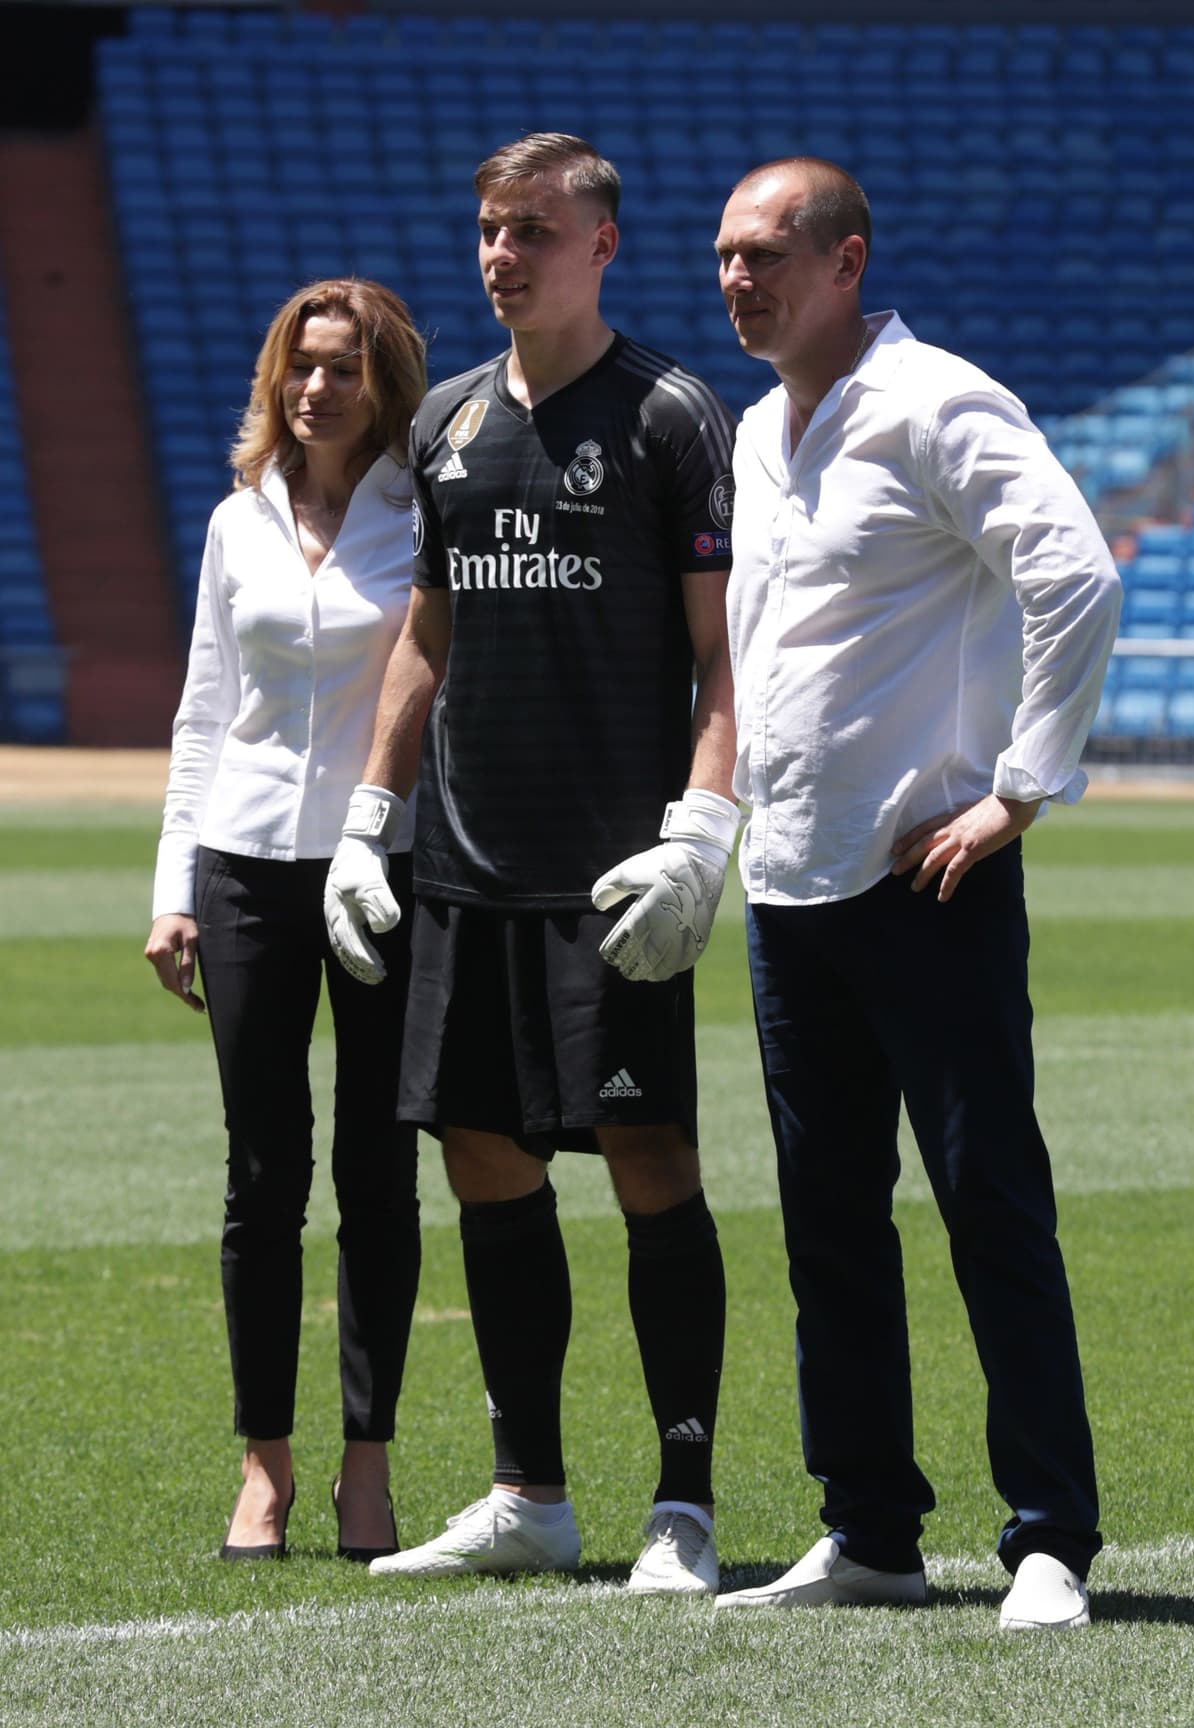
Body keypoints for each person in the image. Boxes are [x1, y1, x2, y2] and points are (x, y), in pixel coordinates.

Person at [323, 133, 740, 1596]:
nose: (503, 254)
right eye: (491, 230)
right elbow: (429, 634)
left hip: (612, 885)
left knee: (650, 1162)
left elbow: (722, 655)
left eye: (533, 232)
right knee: (485, 1163)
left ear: (602, 245)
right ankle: (530, 1494)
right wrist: (372, 816)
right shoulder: (441, 420)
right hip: (467, 870)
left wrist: (702, 831)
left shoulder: (673, 416)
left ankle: (681, 1503)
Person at [709, 159, 1121, 1630]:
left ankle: (1050, 1541)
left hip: (927, 882)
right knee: (828, 1226)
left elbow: (1074, 572)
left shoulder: (938, 400)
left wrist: (1019, 787)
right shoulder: (758, 433)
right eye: (725, 257)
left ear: (846, 261)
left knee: (988, 1206)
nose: (739, 279)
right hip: (792, 888)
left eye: (767, 253)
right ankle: (871, 1528)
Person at [144, 278, 427, 1563]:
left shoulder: (424, 517)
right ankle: (263, 1462)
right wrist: (171, 892)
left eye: (344, 369)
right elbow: (204, 714)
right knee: (262, 1176)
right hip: (244, 869)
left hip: (382, 868)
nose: (316, 388)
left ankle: (366, 1466)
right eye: (300, 366)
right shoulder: (232, 523)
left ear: (385, 386)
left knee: (377, 1170)